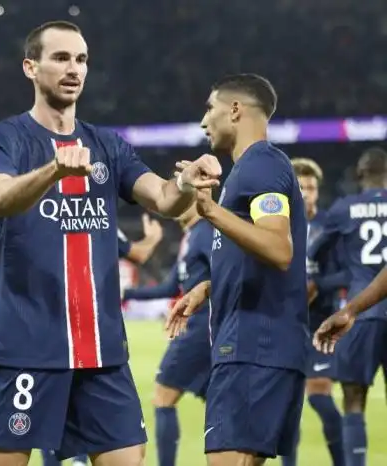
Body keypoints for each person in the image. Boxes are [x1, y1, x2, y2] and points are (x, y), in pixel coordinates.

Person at [0, 20, 222, 466]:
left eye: (82, 59)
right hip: (27, 347)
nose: (74, 69)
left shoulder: (108, 145)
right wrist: (54, 171)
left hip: (101, 350)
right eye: (61, 58)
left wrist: (186, 180)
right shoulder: (4, 137)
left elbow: (165, 198)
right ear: (30, 67)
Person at [167, 74, 308, 465]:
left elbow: (280, 249)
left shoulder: (260, 165)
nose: (203, 121)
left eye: (209, 108)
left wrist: (209, 211)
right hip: (258, 346)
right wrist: (207, 289)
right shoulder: (249, 172)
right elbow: (256, 255)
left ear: (234, 110)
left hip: (253, 348)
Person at [39, 214, 162, 466]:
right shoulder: (96, 217)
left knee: (51, 417)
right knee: (91, 409)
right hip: (90, 334)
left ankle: (76, 459)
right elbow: (138, 254)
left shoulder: (37, 213)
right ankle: (80, 459)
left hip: (47, 332)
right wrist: (152, 238)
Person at [309, 147, 387, 466]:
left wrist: (319, 280)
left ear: (358, 175)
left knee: (354, 399)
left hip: (361, 312)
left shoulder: (344, 208)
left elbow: (314, 253)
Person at [123, 204, 212, 466]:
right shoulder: (192, 236)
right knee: (219, 402)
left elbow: (225, 271)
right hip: (205, 330)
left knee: (163, 396)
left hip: (199, 327)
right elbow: (170, 286)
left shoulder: (206, 232)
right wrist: (125, 293)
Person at [281, 158, 345, 466]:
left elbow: (347, 274)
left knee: (321, 400)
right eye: (302, 187)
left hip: (320, 326)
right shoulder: (276, 226)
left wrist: (318, 284)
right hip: (285, 328)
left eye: (312, 187)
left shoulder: (329, 228)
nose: (307, 193)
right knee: (287, 409)